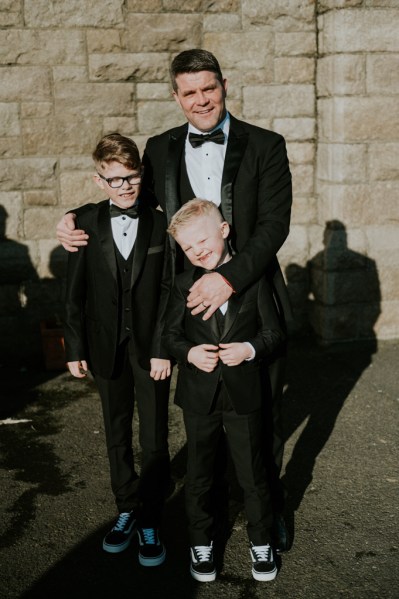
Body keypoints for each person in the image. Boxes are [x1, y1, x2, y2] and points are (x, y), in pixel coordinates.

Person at [56, 49, 293, 551]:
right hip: (186, 302)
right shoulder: (159, 148)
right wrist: (72, 216)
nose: (201, 100)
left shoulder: (266, 145)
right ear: (176, 96)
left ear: (224, 85)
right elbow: (128, 195)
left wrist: (227, 278)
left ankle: (267, 509)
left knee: (261, 409)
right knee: (203, 411)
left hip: (251, 296)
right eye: (189, 92)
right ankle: (203, 512)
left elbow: (275, 227)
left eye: (209, 88)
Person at [63, 133, 171, 566]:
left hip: (152, 350)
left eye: (131, 177)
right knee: (116, 432)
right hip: (105, 345)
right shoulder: (85, 222)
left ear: (141, 175)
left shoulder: (162, 223)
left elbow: (169, 292)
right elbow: (73, 293)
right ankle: (126, 508)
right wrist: (74, 347)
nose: (124, 187)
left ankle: (151, 517)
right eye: (114, 180)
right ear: (98, 180)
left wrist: (165, 348)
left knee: (155, 436)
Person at [163, 199, 285, 582]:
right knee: (199, 473)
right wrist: (189, 353)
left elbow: (274, 332)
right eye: (188, 247)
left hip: (244, 395)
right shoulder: (183, 284)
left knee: (252, 473)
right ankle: (201, 542)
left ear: (225, 230)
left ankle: (261, 541)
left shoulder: (251, 279)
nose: (198, 250)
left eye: (203, 239)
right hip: (199, 397)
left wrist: (249, 349)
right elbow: (170, 335)